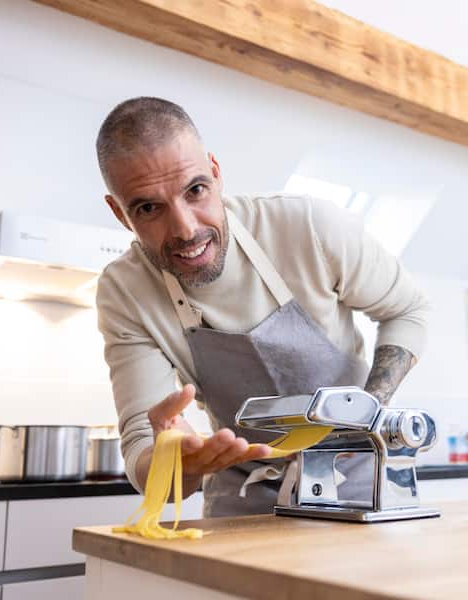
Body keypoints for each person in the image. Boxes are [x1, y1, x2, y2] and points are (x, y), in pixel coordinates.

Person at [95, 97, 429, 517]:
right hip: (242, 500)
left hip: (359, 482)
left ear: (216, 174)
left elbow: (409, 311)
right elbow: (144, 446)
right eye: (148, 208)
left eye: (195, 190)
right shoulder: (125, 292)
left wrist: (362, 418)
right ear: (119, 213)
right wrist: (177, 464)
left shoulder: (307, 227)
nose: (185, 229)